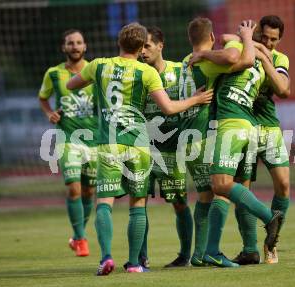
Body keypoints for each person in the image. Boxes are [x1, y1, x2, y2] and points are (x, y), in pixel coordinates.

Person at [66, 22, 212, 275]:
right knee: (138, 204)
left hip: (112, 144)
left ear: (119, 42)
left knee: (105, 203)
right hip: (140, 146)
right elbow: (168, 107)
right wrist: (196, 100)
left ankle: (106, 258)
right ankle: (135, 262)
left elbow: (70, 86)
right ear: (139, 45)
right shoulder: (146, 73)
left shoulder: (99, 65)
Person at [193, 15, 291, 265]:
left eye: (273, 40)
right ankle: (250, 249)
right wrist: (252, 44)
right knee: (238, 187)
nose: (268, 43)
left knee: (283, 185)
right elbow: (228, 40)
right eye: (264, 38)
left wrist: (263, 56)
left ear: (280, 40)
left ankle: (271, 240)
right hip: (246, 125)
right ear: (258, 33)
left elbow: (284, 89)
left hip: (262, 126)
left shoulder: (278, 58)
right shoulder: (243, 45)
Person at [178, 17, 255, 267]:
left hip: (187, 137)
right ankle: (208, 253)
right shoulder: (209, 62)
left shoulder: (183, 64)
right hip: (203, 134)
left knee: (204, 196)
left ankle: (199, 255)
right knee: (218, 191)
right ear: (211, 38)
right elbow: (241, 60)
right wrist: (244, 38)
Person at [140, 26, 213, 267]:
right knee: (138, 202)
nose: (142, 51)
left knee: (179, 202)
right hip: (143, 150)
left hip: (172, 150)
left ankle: (183, 256)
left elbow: (199, 94)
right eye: (139, 47)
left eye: (147, 46)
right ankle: (140, 258)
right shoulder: (136, 74)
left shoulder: (180, 71)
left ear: (161, 45)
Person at [39, 29, 97, 257]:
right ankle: (81, 239)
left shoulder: (95, 70)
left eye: (79, 42)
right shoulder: (53, 73)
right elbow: (43, 97)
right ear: (64, 48)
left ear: (85, 47)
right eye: (70, 43)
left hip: (94, 140)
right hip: (67, 139)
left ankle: (76, 235)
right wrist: (49, 114)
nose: (75, 46)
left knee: (88, 191)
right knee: (74, 189)